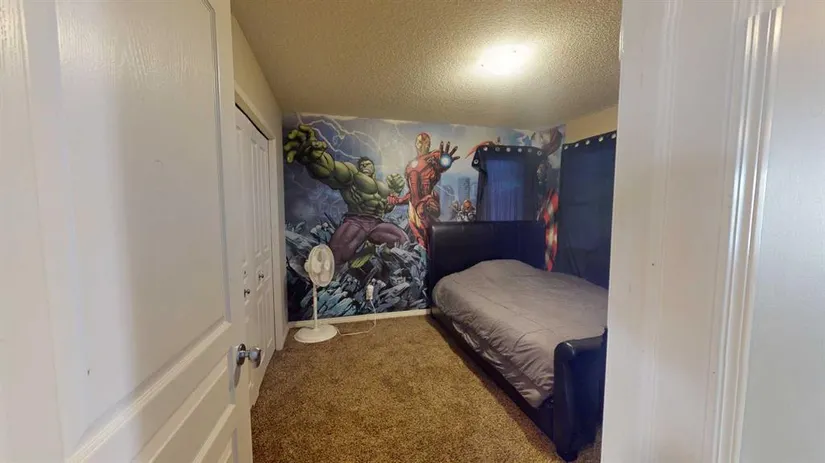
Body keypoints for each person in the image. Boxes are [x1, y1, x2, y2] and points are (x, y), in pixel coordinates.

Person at [284, 125, 407, 266]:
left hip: (376, 223)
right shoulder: (354, 176)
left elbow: (386, 207)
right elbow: (331, 170)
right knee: (335, 256)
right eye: (362, 165)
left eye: (368, 164)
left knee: (402, 240)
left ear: (373, 167)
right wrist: (315, 159)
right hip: (356, 221)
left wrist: (396, 191)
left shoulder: (383, 187)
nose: (365, 166)